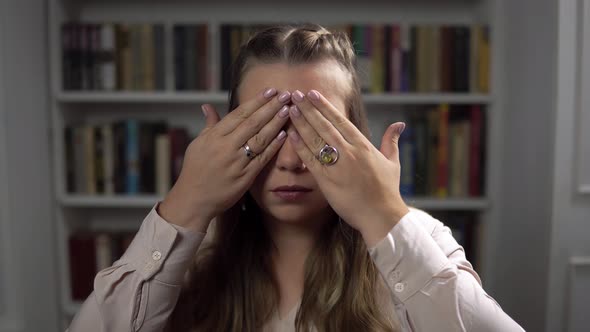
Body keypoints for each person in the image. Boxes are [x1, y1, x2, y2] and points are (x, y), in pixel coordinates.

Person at [67, 24, 524, 332]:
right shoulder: (189, 248)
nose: (291, 160)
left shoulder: (417, 236)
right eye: (267, 127)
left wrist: (382, 213)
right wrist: (186, 203)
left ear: (354, 138)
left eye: (314, 129)